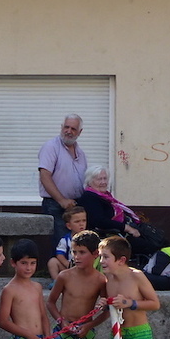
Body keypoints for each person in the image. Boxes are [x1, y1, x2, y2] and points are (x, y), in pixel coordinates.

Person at [46, 230, 109, 339]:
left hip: (85, 333)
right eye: (74, 252)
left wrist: (89, 325)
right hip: (64, 331)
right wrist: (62, 322)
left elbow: (107, 310)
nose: (76, 257)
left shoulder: (101, 280)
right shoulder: (64, 276)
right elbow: (50, 302)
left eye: (82, 252)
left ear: (95, 254)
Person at [99, 236, 160, 339]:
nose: (101, 261)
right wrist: (105, 305)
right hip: (117, 333)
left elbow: (155, 304)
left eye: (106, 257)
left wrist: (129, 303)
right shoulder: (108, 278)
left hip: (139, 335)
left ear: (121, 260)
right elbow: (110, 307)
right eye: (100, 256)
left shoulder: (136, 276)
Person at [78, 165, 155, 256]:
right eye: (99, 179)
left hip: (119, 232)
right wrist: (126, 228)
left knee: (154, 238)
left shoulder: (105, 196)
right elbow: (99, 221)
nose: (103, 182)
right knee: (151, 245)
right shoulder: (89, 197)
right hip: (109, 236)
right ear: (90, 182)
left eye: (105, 178)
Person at [0, 238, 50, 339]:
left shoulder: (37, 287)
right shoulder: (9, 290)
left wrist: (47, 338)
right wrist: (29, 335)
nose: (28, 268)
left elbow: (43, 316)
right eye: (24, 263)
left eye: (33, 263)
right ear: (13, 263)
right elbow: (3, 321)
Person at [38, 114, 87, 246]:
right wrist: (61, 200)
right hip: (55, 205)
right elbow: (44, 176)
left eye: (73, 129)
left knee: (76, 246)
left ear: (80, 132)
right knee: (61, 245)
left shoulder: (80, 153)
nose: (68, 131)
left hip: (74, 207)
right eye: (66, 127)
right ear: (61, 127)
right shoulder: (51, 147)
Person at [46, 206, 88, 282]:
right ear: (69, 226)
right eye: (77, 222)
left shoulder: (90, 239)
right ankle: (56, 282)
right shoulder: (65, 240)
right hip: (69, 267)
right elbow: (59, 254)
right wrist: (68, 264)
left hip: (85, 268)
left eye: (84, 221)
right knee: (52, 261)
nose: (81, 224)